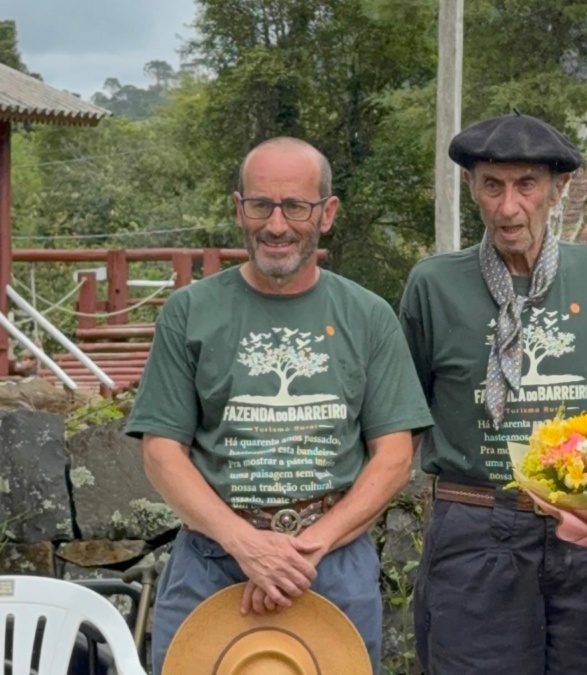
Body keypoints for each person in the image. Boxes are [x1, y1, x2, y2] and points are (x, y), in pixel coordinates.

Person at [125, 136, 433, 675]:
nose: (276, 225)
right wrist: (246, 544)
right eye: (261, 205)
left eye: (295, 206)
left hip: (332, 562)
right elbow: (161, 453)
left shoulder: (367, 316)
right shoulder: (189, 312)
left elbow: (394, 457)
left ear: (327, 213)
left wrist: (304, 550)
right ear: (238, 208)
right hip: (212, 559)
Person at [399, 112, 587, 675]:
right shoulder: (433, 286)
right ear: (471, 188)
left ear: (558, 189)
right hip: (477, 531)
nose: (508, 206)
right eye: (492, 185)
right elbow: (402, 418)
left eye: (526, 185)